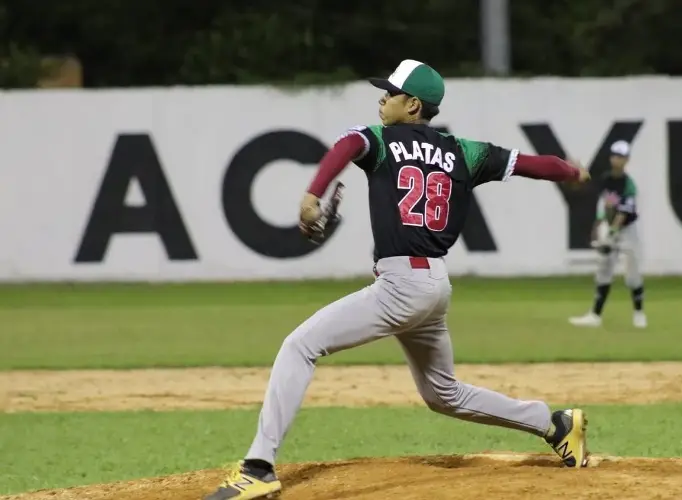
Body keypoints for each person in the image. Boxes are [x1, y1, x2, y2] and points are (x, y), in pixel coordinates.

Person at [204, 59, 592, 500]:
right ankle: (554, 423)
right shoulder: (464, 151)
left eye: (389, 93)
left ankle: (258, 467)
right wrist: (570, 171)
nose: (381, 99)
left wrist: (312, 193)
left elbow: (348, 143)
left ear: (412, 105)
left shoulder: (382, 139)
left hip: (400, 286)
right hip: (435, 286)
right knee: (443, 394)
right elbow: (532, 164)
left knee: (300, 346)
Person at [568, 140, 647, 328]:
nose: (616, 159)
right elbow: (602, 203)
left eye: (621, 156)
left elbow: (623, 213)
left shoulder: (629, 184)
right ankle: (595, 315)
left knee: (632, 273)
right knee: (604, 270)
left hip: (628, 230)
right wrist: (598, 228)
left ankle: (639, 313)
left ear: (627, 160)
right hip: (610, 226)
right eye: (614, 155)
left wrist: (610, 234)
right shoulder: (605, 179)